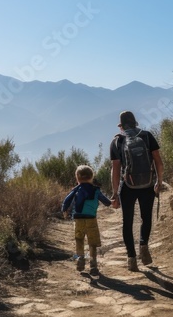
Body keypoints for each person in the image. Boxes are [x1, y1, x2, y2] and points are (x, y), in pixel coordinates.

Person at [109, 110, 164, 272]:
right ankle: (144, 246)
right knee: (146, 217)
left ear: (121, 126)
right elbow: (158, 162)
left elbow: (116, 169)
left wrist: (115, 192)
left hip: (128, 186)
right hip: (148, 184)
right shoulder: (147, 136)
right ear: (135, 123)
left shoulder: (117, 141)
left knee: (127, 221)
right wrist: (158, 183)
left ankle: (131, 258)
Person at [61, 165, 112, 275]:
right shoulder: (96, 190)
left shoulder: (76, 189)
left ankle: (80, 259)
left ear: (77, 178)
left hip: (78, 219)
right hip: (91, 220)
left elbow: (67, 200)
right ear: (91, 177)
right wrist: (112, 201)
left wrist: (64, 210)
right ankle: (93, 265)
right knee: (92, 243)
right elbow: (106, 202)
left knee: (79, 239)